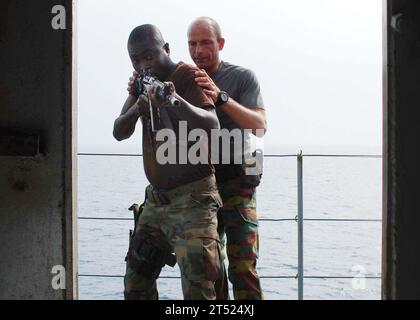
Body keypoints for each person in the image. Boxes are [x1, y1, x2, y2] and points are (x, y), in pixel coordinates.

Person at [113, 24, 223, 300]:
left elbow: (213, 124)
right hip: (156, 202)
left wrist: (174, 101)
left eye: (149, 56)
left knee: (199, 291)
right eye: (136, 60)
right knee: (135, 283)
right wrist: (138, 106)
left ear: (167, 49)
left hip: (193, 200)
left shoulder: (186, 76)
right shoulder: (141, 81)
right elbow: (118, 132)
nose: (144, 64)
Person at [187, 17, 267, 300]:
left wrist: (222, 98)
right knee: (208, 273)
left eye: (206, 42)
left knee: (243, 267)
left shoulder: (242, 77)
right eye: (193, 44)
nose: (199, 51)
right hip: (199, 189)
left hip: (237, 185)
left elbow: (260, 125)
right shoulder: (181, 79)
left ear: (220, 44)